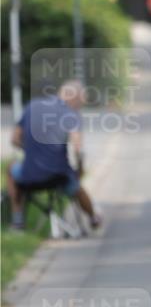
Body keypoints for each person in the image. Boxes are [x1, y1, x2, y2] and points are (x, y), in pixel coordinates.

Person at [6, 81, 102, 231]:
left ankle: (18, 220)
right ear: (73, 96)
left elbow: (14, 139)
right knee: (76, 185)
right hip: (58, 177)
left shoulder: (32, 106)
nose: (81, 105)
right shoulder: (71, 114)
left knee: (11, 169)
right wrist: (80, 170)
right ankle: (93, 217)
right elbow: (78, 149)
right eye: (81, 100)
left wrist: (31, 151)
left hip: (28, 176)